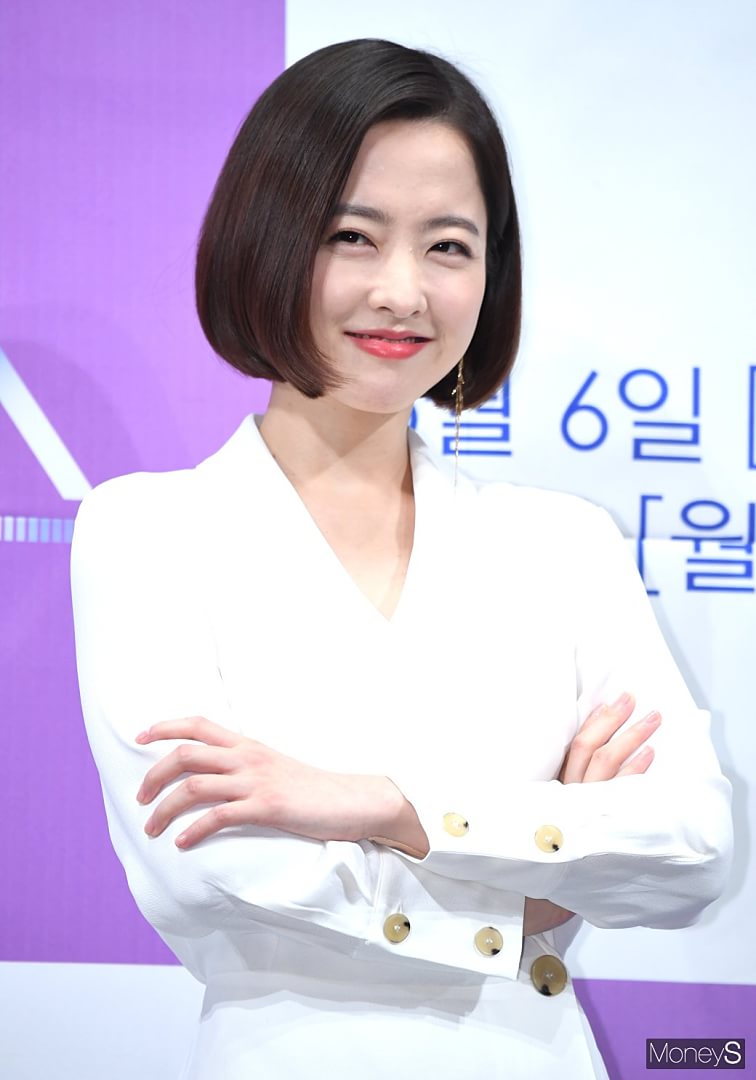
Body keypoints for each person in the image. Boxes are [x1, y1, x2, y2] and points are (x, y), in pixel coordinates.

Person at [70, 38, 733, 1080]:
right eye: (353, 236)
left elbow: (693, 848)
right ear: (267, 239)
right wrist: (546, 876)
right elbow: (212, 869)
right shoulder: (149, 530)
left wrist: (382, 806)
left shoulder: (563, 544)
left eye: (448, 247)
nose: (402, 291)